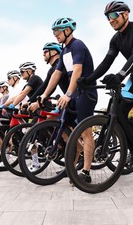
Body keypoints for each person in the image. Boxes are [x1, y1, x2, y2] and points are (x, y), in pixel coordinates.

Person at [77, 0, 133, 192]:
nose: (110, 20)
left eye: (113, 16)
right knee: (117, 110)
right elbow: (106, 62)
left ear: (126, 14)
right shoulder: (116, 39)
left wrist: (120, 75)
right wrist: (89, 79)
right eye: (107, 18)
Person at [39, 17, 98, 183]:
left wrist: (68, 94)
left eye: (58, 32)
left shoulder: (77, 45)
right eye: (53, 32)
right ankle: (72, 166)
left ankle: (86, 172)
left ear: (67, 31)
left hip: (86, 93)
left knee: (86, 131)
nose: (55, 35)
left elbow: (78, 70)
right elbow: (57, 75)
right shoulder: (64, 51)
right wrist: (44, 94)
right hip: (74, 93)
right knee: (64, 126)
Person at [27, 42, 69, 112]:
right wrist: (29, 101)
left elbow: (52, 87)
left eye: (45, 51)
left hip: (77, 96)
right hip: (70, 97)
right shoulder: (52, 69)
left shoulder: (59, 66)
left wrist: (39, 102)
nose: (43, 54)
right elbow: (44, 86)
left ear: (54, 52)